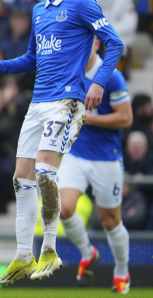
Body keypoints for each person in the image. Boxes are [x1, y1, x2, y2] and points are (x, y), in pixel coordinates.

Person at [0, 0, 124, 285]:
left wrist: (99, 83)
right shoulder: (39, 11)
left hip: (67, 101)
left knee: (44, 171)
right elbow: (32, 58)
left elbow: (115, 42)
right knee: (21, 178)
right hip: (38, 103)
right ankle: (23, 256)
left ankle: (51, 250)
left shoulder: (83, 4)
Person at [58, 37, 133, 293]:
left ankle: (122, 271)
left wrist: (89, 119)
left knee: (110, 222)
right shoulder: (68, 69)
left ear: (96, 44)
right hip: (75, 154)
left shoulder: (112, 76)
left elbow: (126, 118)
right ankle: (87, 252)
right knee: (63, 208)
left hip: (106, 157)